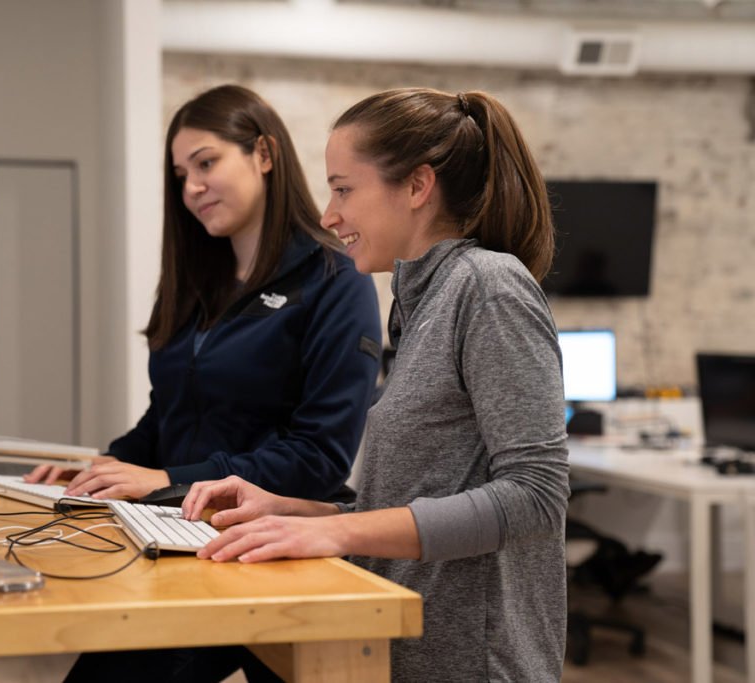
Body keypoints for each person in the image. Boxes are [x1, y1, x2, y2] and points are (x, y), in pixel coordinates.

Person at [183, 88, 571, 682]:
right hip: (409, 649)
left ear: (417, 186)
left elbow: (536, 496)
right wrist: (297, 511)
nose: (330, 215)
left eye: (343, 189)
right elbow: (417, 500)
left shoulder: (489, 288)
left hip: (474, 665)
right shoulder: (423, 301)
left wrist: (336, 529)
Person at [30, 84, 381, 682]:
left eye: (206, 162)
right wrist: (103, 469)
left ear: (264, 155)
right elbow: (167, 416)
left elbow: (319, 457)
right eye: (180, 172)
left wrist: (167, 479)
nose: (191, 186)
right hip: (177, 538)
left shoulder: (334, 280)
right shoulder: (197, 283)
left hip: (271, 550)